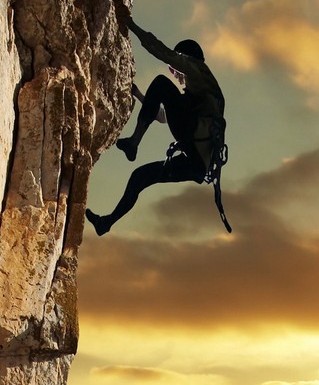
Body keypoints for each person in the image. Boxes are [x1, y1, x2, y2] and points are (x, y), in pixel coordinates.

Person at [85, 12, 226, 236]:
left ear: (187, 58)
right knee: (140, 177)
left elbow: (161, 52)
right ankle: (106, 222)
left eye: (179, 67)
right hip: (196, 164)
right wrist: (140, 95)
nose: (177, 73)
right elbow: (163, 116)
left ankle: (134, 141)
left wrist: (130, 24)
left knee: (161, 83)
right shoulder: (201, 96)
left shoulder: (197, 70)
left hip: (194, 153)